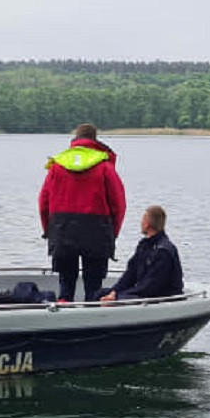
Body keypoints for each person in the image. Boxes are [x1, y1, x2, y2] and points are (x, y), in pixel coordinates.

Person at [39, 123, 126, 302]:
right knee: (94, 288)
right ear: (95, 140)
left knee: (65, 285)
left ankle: (63, 318)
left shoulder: (56, 165)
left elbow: (43, 202)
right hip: (97, 231)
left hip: (61, 229)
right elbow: (119, 204)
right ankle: (92, 321)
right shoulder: (104, 166)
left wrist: (49, 231)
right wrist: (112, 234)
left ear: (75, 140)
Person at [99, 205, 183, 302]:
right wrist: (114, 292)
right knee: (100, 294)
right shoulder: (144, 246)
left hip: (161, 297)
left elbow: (150, 286)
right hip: (145, 292)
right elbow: (130, 274)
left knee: (120, 300)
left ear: (147, 224)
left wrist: (117, 297)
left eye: (143, 220)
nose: (141, 223)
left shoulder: (163, 252)